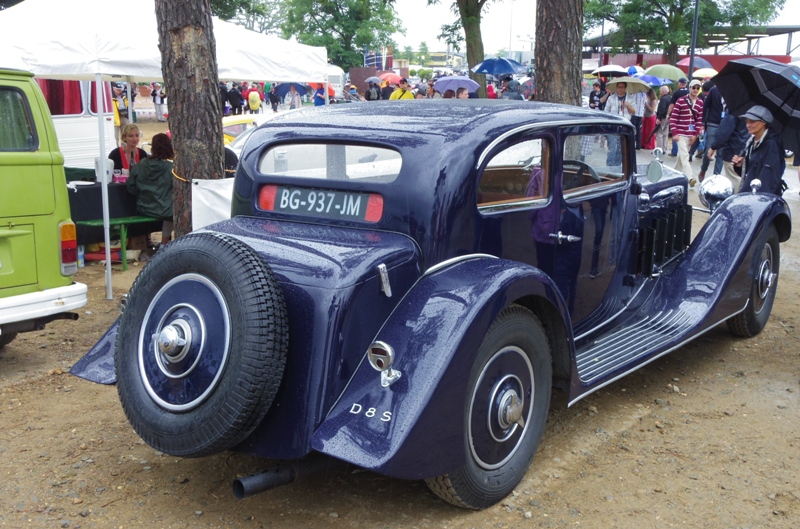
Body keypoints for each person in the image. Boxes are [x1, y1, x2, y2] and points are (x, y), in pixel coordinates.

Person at [127, 133, 175, 247]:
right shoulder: (171, 169)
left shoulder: (141, 164)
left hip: (143, 208)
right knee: (175, 212)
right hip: (165, 210)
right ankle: (164, 243)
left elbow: (130, 185)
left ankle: (160, 243)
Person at [732, 105, 786, 195]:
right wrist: (740, 166)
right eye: (747, 122)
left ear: (763, 122)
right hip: (749, 193)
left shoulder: (772, 144)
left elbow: (770, 177)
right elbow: (751, 171)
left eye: (752, 121)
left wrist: (758, 200)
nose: (748, 125)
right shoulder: (751, 141)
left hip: (761, 198)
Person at [669, 79, 704, 185]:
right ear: (689, 88)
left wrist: (695, 135)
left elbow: (699, 120)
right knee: (685, 156)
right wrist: (674, 132)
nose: (695, 90)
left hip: (691, 133)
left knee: (681, 158)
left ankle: (673, 176)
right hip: (680, 133)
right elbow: (673, 117)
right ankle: (690, 177)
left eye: (698, 88)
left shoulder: (700, 102)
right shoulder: (681, 100)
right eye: (694, 87)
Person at [707, 111, 749, 189]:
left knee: (734, 180)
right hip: (745, 150)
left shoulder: (733, 112)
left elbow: (724, 133)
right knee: (740, 178)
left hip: (733, 150)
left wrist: (713, 147)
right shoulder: (750, 113)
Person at [698, 83, 725, 179]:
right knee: (709, 151)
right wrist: (702, 123)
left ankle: (716, 177)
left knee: (721, 153)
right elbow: (706, 106)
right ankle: (703, 169)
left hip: (724, 125)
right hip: (713, 123)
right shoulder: (714, 90)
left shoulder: (732, 92)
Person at [667, 77, 689, 156]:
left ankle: (674, 151)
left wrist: (668, 115)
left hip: (677, 115)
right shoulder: (689, 92)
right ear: (685, 84)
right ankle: (686, 151)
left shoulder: (676, 93)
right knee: (687, 133)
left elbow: (672, 105)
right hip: (688, 116)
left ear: (679, 84)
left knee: (675, 131)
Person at [655, 86, 671, 153]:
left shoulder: (663, 99)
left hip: (663, 118)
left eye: (660, 91)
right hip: (668, 117)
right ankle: (664, 148)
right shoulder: (670, 98)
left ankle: (659, 149)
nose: (660, 92)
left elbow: (663, 109)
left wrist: (659, 118)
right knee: (665, 134)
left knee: (660, 134)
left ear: (663, 91)